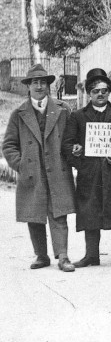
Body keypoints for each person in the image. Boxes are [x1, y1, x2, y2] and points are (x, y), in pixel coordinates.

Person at [2, 64, 76, 272]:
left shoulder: (62, 110)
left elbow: (71, 138)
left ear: (48, 85)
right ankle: (41, 256)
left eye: (43, 82)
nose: (39, 86)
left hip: (57, 170)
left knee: (59, 213)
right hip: (32, 172)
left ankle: (63, 256)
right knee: (34, 214)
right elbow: (8, 145)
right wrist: (21, 164)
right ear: (28, 86)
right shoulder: (19, 114)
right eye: (35, 82)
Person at [62, 68, 111, 268]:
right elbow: (68, 145)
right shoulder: (78, 116)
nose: (100, 94)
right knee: (89, 210)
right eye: (95, 91)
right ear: (89, 93)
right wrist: (81, 162)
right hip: (90, 172)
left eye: (104, 90)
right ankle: (91, 255)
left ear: (109, 91)